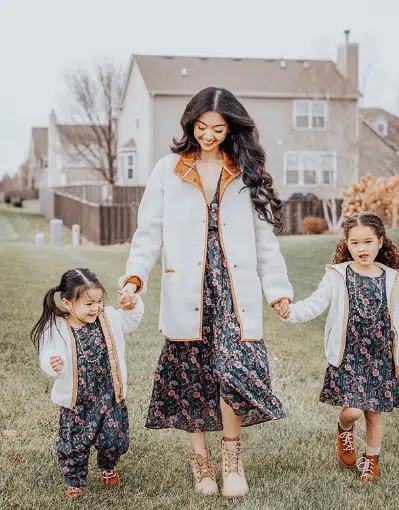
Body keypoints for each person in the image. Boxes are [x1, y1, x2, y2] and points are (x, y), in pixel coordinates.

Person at [118, 87, 293, 497]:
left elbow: (265, 239)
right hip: (187, 288)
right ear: (190, 124)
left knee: (233, 371)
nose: (209, 135)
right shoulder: (169, 169)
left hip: (234, 288)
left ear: (232, 128)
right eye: (201, 127)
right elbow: (148, 233)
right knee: (193, 376)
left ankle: (232, 460)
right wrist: (134, 278)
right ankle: (203, 466)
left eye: (217, 128)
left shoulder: (246, 171)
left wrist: (278, 290)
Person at [276, 213, 399, 482]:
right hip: (350, 356)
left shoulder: (393, 278)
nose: (362, 249)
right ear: (347, 243)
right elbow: (316, 303)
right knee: (354, 410)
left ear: (380, 241)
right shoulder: (337, 275)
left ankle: (371, 459)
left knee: (374, 412)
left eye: (368, 242)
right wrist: (290, 312)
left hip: (381, 357)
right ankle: (344, 429)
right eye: (355, 243)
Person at [31, 268, 144, 499]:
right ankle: (75, 480)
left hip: (108, 395)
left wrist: (132, 304)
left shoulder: (109, 318)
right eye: (88, 304)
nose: (95, 308)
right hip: (78, 401)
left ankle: (108, 466)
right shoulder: (57, 327)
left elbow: (131, 321)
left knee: (113, 439)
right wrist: (52, 363)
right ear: (68, 303)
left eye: (99, 301)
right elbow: (48, 351)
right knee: (74, 445)